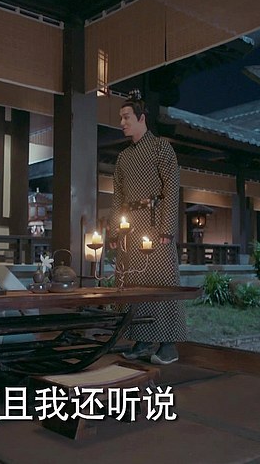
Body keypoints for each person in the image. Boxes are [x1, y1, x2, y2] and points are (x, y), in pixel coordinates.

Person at [110, 89, 185, 365]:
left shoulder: (161, 148)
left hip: (155, 223)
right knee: (134, 283)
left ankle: (168, 345)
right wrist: (115, 231)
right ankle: (141, 340)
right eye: (121, 117)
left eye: (126, 117)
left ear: (141, 118)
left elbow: (171, 189)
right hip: (130, 226)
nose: (122, 123)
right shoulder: (123, 158)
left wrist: (167, 229)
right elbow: (117, 196)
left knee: (162, 282)